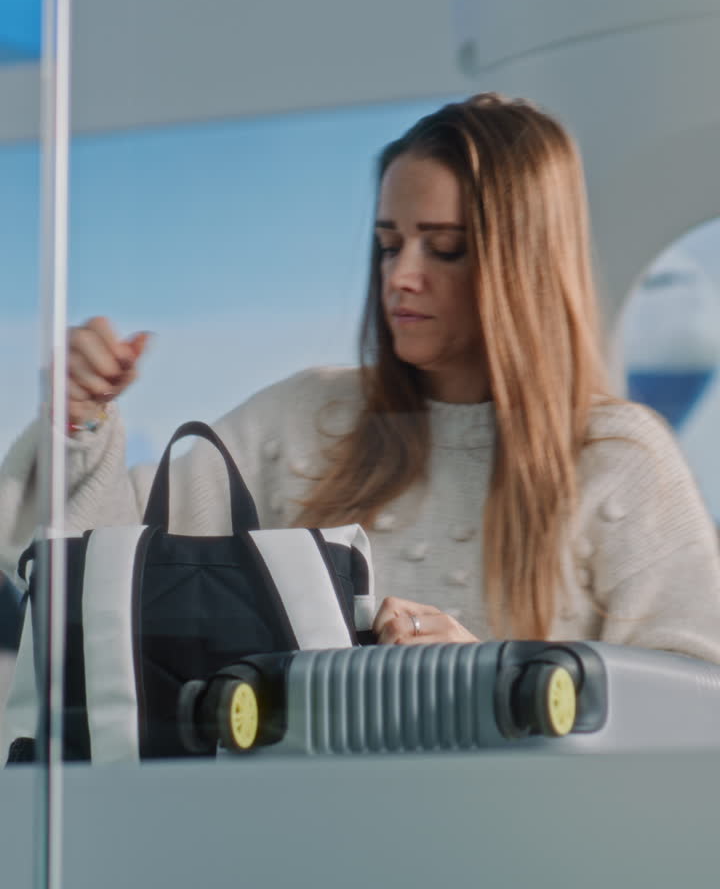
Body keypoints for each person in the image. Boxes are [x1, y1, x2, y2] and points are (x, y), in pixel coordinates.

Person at [1, 93, 720, 661]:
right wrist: (79, 422)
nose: (401, 278)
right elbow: (85, 585)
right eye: (387, 245)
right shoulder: (304, 421)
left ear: (524, 266)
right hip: (296, 836)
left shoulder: (618, 459)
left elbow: (695, 694)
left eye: (443, 250)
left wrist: (505, 678)